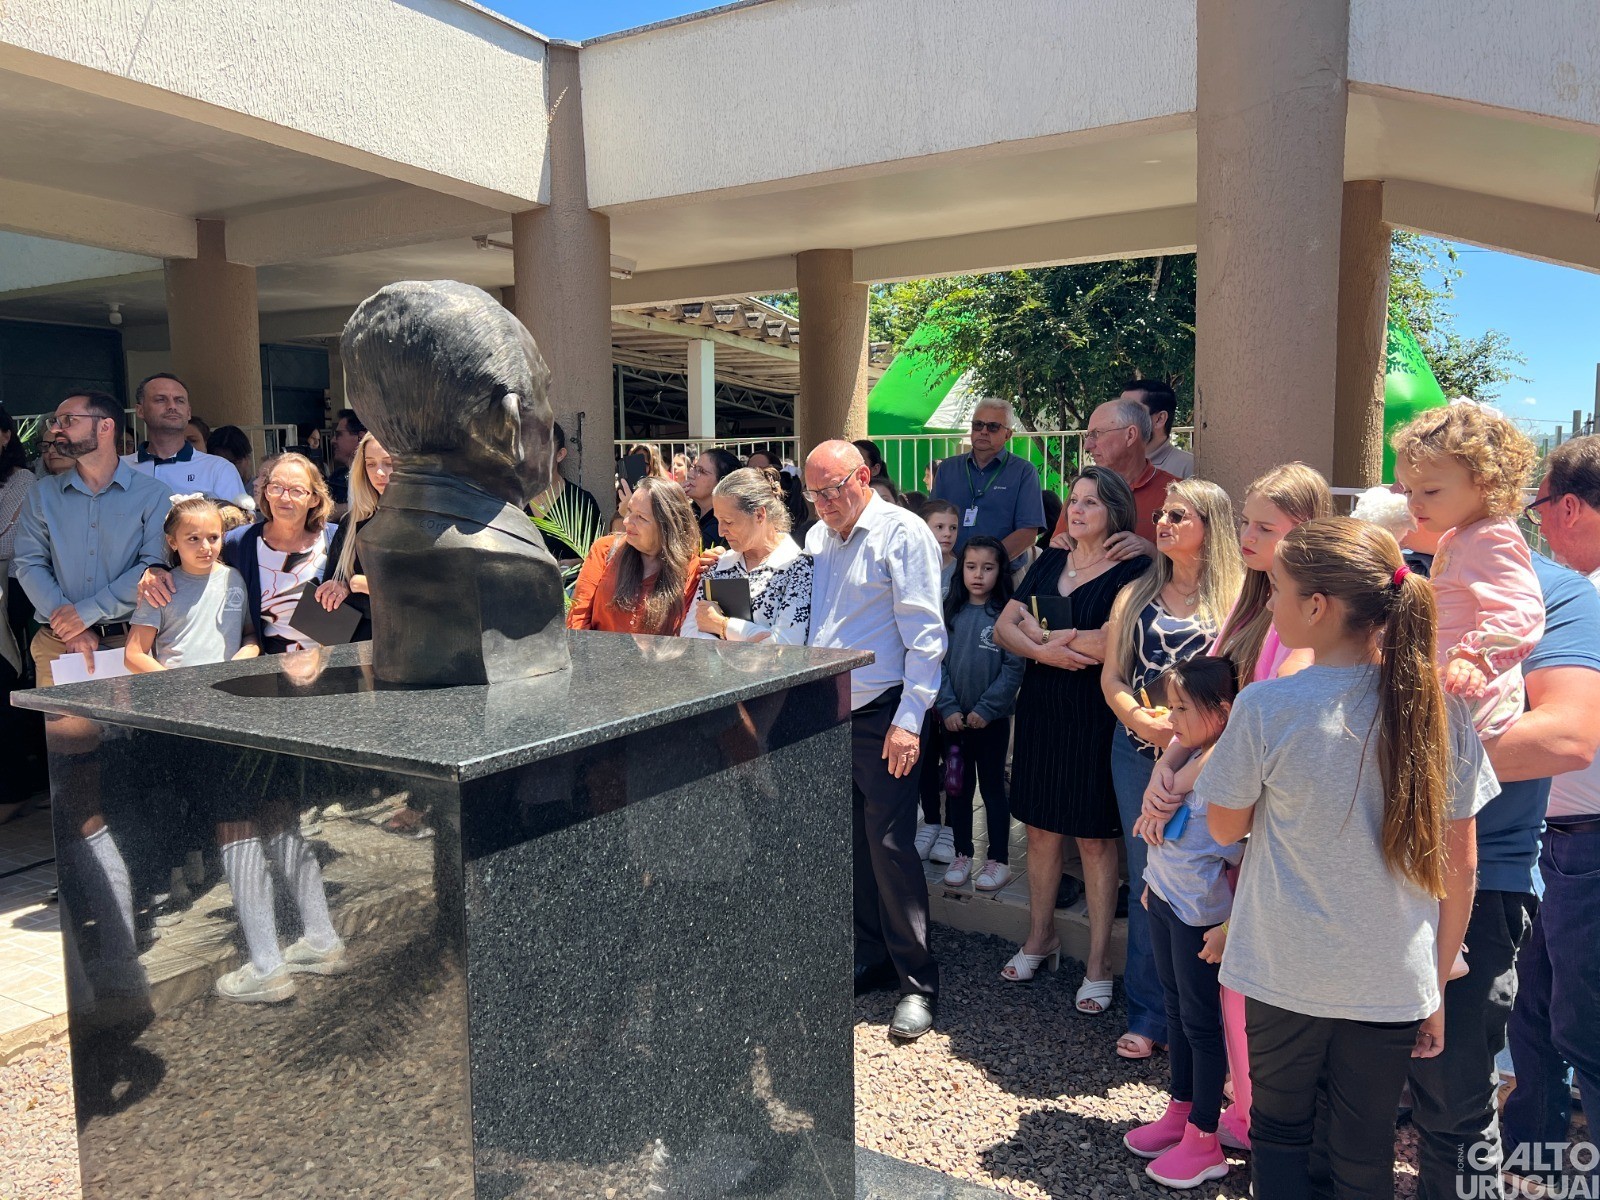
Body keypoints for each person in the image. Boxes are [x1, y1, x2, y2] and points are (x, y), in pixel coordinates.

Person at [1200, 517, 1493, 1200]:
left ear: (1318, 606)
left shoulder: (1268, 706)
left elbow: (1223, 826)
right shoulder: (1439, 712)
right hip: (1391, 978)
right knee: (1365, 1154)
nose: (1267, 603)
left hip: (1281, 967)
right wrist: (1437, 987)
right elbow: (1461, 868)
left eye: (1275, 588)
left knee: (1279, 1138)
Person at [1145, 460, 1331, 1150]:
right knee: (1206, 987)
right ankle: (1215, 1111)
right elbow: (1206, 700)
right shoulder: (1252, 601)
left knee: (1236, 987)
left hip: (1257, 822)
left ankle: (1246, 1124)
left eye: (1263, 525)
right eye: (1245, 522)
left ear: (1307, 532)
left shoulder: (1305, 618)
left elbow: (1261, 718)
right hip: (1218, 806)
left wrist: (1185, 779)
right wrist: (1169, 766)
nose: (1245, 535)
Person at [804, 440, 946, 1041]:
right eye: (814, 493)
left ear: (863, 477)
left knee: (890, 845)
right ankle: (872, 955)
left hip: (884, 712)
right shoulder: (818, 538)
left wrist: (910, 719)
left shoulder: (902, 533)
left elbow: (926, 636)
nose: (825, 503)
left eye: (835, 489)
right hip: (828, 709)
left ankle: (918, 983)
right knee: (854, 843)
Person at [994, 467, 1150, 997]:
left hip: (1093, 713)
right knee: (1039, 829)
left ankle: (1100, 961)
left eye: (1091, 502)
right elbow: (1004, 626)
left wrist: (1052, 638)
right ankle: (1040, 937)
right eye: (1075, 500)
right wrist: (1044, 651)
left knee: (1093, 838)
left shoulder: (1134, 567)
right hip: (1040, 707)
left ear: (1116, 513)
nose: (1077, 509)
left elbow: (1117, 642)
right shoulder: (1050, 558)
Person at [1101, 479, 1243, 1059]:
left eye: (1178, 515)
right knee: (1150, 884)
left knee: (1214, 886)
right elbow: (1111, 677)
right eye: (1160, 513)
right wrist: (1143, 721)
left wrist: (1186, 748)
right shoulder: (1134, 595)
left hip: (1214, 763)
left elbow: (1246, 693)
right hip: (1138, 754)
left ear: (1211, 525)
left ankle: (1208, 1025)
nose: (1162, 522)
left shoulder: (1239, 601)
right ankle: (1152, 1013)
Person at [1502, 435, 1600, 1197]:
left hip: (1589, 842)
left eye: (1537, 507)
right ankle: (1528, 1163)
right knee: (1535, 1019)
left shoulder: (1581, 600)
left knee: (1583, 1034)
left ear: (1567, 506)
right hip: (1559, 840)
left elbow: (1570, 733)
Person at [1125, 655, 1241, 1190]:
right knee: (1175, 1012)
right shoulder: (1180, 761)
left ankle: (1204, 1137)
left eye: (1181, 709)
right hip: (1165, 902)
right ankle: (1181, 1109)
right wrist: (1151, 882)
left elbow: (1248, 859)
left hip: (1202, 920)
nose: (1171, 719)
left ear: (1222, 713)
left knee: (1200, 1022)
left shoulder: (1227, 777)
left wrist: (1228, 927)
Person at [1393, 401, 1544, 738]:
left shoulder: (1493, 537)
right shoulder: (1462, 535)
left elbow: (1522, 612)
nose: (1414, 503)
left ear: (1486, 482)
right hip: (1453, 685)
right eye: (1408, 490)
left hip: (1472, 695)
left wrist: (1474, 657)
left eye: (1430, 491)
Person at [14, 391, 172, 687]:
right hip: (58, 643)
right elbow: (28, 562)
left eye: (68, 420)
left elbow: (152, 567)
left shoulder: (154, 494)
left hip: (134, 644)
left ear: (105, 426)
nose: (55, 429)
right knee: (68, 734)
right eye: (55, 421)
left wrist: (85, 614)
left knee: (136, 735)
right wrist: (72, 629)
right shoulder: (42, 494)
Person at [933, 535, 1024, 890]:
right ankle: (962, 853)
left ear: (1000, 571)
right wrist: (949, 706)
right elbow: (936, 661)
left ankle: (997, 859)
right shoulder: (950, 613)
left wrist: (987, 709)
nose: (978, 575)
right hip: (953, 724)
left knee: (992, 790)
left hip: (992, 724)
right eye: (971, 566)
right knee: (956, 788)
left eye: (988, 568)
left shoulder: (1007, 616)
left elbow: (1014, 668)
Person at [125, 495, 259, 673]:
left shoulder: (236, 579)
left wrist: (246, 654)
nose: (205, 547)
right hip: (179, 696)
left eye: (213, 537)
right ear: (172, 541)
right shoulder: (158, 586)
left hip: (229, 691)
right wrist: (176, 687)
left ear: (223, 536)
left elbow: (250, 633)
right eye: (193, 539)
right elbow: (134, 654)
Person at [682, 466, 812, 644]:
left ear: (759, 514)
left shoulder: (798, 566)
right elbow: (688, 633)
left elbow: (786, 644)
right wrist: (751, 637)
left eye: (728, 522)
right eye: (718, 521)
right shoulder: (718, 563)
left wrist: (722, 625)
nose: (720, 532)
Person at [569, 475, 704, 634]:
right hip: (598, 656)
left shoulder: (692, 569)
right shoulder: (604, 549)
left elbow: (688, 634)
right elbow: (578, 618)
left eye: (641, 517)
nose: (626, 521)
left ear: (667, 527)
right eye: (629, 511)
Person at [929, 399, 1046, 569]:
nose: (983, 431)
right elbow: (932, 521)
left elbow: (1028, 532)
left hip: (1004, 576)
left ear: (1008, 435)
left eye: (992, 427)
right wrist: (954, 565)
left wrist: (986, 565)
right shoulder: (947, 468)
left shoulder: (1023, 472)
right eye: (978, 425)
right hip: (951, 573)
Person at [1050, 398, 1174, 558]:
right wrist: (1059, 546)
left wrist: (1151, 551)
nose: (1087, 446)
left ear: (1130, 435)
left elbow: (1194, 567)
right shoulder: (1083, 490)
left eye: (1096, 434)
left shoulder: (1174, 494)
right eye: (1088, 436)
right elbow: (1058, 543)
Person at [916, 498, 964, 860]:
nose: (947, 534)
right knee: (924, 755)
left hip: (956, 680)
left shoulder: (965, 570)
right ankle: (930, 820)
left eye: (952, 528)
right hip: (919, 678)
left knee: (955, 758)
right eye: (939, 527)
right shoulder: (914, 567)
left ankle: (951, 828)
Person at [313, 433, 393, 642]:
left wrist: (361, 584)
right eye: (370, 464)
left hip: (408, 645)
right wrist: (341, 587)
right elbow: (331, 586)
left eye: (389, 463)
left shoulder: (424, 523)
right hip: (356, 645)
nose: (379, 472)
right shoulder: (352, 523)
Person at [122, 373, 249, 503]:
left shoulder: (218, 469)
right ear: (140, 410)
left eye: (179, 400)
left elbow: (239, 521)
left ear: (188, 412)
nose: (172, 406)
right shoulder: (119, 468)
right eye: (160, 399)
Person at [528, 421, 604, 565]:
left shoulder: (582, 502)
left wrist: (567, 565)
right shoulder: (513, 502)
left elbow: (599, 558)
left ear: (560, 454)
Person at [1125, 379, 1194, 480]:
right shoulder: (1111, 464)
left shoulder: (1188, 468)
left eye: (1130, 411)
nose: (1119, 419)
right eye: (1119, 412)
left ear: (1159, 419)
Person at [685, 448, 741, 550]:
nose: (690, 475)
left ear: (722, 482)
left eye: (701, 471)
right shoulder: (690, 511)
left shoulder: (720, 526)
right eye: (694, 468)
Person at [327, 409, 365, 509]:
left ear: (360, 438)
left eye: (339, 434)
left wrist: (345, 509)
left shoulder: (378, 478)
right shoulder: (336, 479)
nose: (333, 441)